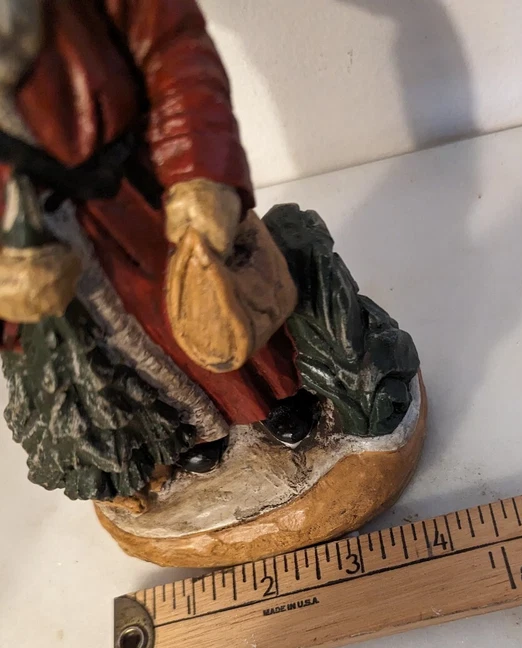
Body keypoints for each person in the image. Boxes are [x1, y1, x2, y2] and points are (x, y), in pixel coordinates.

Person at [0, 0, 317, 469]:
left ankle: (274, 392)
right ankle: (192, 424)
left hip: (147, 173)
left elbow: (174, 48)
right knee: (127, 333)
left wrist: (198, 168)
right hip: (47, 232)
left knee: (210, 286)